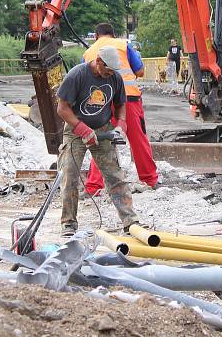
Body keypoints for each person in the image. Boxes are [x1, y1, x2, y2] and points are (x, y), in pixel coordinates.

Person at [56, 45, 141, 237]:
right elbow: (62, 108)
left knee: (115, 176)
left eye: (113, 70)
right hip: (75, 129)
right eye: (108, 69)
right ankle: (68, 224)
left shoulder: (114, 78)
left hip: (103, 128)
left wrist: (120, 124)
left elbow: (120, 104)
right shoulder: (77, 75)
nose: (110, 73)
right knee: (70, 174)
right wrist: (82, 129)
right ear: (99, 62)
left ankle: (130, 221)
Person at [83, 23, 158, 195]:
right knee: (137, 139)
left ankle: (93, 186)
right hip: (128, 98)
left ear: (96, 36)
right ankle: (149, 179)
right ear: (113, 34)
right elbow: (139, 71)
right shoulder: (123, 45)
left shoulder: (88, 52)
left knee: (100, 140)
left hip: (101, 101)